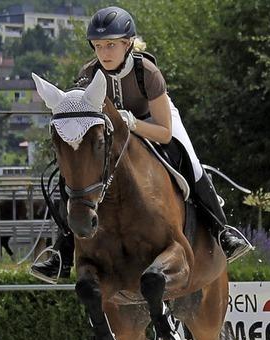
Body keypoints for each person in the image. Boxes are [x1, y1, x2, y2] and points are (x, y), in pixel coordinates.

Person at [31, 6, 252, 283]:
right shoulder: (88, 73)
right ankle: (62, 252)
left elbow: (164, 133)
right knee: (74, 176)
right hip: (113, 132)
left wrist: (133, 123)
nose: (104, 53)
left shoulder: (147, 72)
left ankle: (223, 232)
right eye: (98, 46)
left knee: (190, 160)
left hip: (153, 122)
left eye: (111, 45)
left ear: (128, 44)